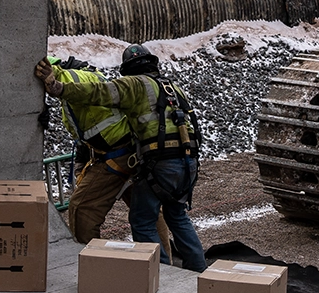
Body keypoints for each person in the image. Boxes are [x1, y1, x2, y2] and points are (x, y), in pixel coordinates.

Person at [36, 43, 206, 271]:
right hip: (187, 163)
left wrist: (58, 88)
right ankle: (198, 271)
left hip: (158, 164)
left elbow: (98, 92)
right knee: (177, 216)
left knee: (141, 220)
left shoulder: (135, 85)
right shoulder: (171, 87)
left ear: (128, 71)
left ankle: (161, 273)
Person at [39, 57, 137, 243]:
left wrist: (53, 81)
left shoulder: (73, 77)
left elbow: (64, 80)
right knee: (145, 213)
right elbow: (87, 131)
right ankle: (163, 259)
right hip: (124, 153)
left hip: (117, 155)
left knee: (82, 207)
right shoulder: (89, 76)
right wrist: (80, 163)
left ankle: (91, 261)